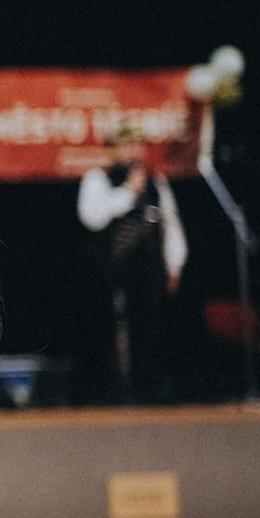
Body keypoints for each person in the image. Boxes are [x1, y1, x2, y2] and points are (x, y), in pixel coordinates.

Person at [78, 125, 187, 402]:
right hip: (112, 271)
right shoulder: (98, 180)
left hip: (149, 270)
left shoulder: (156, 182)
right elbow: (92, 218)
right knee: (116, 333)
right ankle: (117, 390)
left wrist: (174, 264)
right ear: (113, 150)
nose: (133, 152)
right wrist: (128, 192)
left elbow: (170, 223)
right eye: (127, 146)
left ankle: (150, 389)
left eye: (138, 146)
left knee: (151, 329)